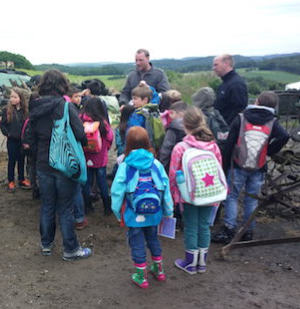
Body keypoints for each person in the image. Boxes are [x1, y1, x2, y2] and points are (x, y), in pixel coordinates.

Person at [27, 69, 92, 261]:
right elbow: (80, 134)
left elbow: (29, 137)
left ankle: (46, 245)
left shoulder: (35, 107)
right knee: (65, 208)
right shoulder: (66, 107)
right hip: (64, 164)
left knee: (47, 205)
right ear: (62, 85)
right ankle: (70, 250)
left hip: (43, 164)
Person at [212, 91, 289, 244]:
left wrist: (224, 165)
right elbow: (284, 136)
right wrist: (270, 151)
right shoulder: (273, 122)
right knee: (251, 200)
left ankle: (228, 229)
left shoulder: (241, 118)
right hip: (258, 167)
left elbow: (229, 144)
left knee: (231, 196)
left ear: (257, 101)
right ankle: (247, 231)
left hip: (238, 165)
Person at [111, 126, 173, 289]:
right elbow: (165, 189)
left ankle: (141, 276)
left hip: (133, 214)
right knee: (153, 239)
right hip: (154, 213)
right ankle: (159, 271)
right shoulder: (156, 163)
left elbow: (117, 191)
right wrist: (168, 211)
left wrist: (118, 213)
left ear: (128, 143)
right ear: (147, 142)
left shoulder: (126, 165)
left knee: (137, 242)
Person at [168, 106, 223, 274]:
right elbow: (219, 168)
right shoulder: (213, 146)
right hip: (210, 193)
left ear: (184, 124)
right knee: (204, 227)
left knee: (191, 227)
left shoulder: (181, 147)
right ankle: (202, 263)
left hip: (189, 195)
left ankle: (190, 263)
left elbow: (173, 174)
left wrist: (172, 195)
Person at [80, 97, 114, 216]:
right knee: (102, 183)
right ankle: (106, 208)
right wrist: (105, 148)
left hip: (85, 157)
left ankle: (88, 206)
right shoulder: (103, 123)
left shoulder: (81, 120)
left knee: (86, 183)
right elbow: (110, 138)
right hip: (100, 159)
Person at [0, 87, 31, 191]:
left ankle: (21, 179)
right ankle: (11, 181)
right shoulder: (6, 110)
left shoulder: (25, 111)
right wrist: (8, 133)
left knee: (22, 160)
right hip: (12, 140)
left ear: (21, 98)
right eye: (11, 97)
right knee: (12, 161)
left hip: (22, 140)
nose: (12, 99)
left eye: (15, 97)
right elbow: (3, 125)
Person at [212, 54, 248, 125]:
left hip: (229, 130)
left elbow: (239, 109)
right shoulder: (225, 83)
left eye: (216, 65)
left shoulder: (236, 84)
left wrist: (226, 128)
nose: (213, 68)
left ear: (226, 64)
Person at [158, 101, 187, 170]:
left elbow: (166, 148)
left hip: (173, 163)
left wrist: (162, 165)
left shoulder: (173, 128)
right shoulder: (192, 126)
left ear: (180, 114)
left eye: (172, 113)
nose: (170, 115)